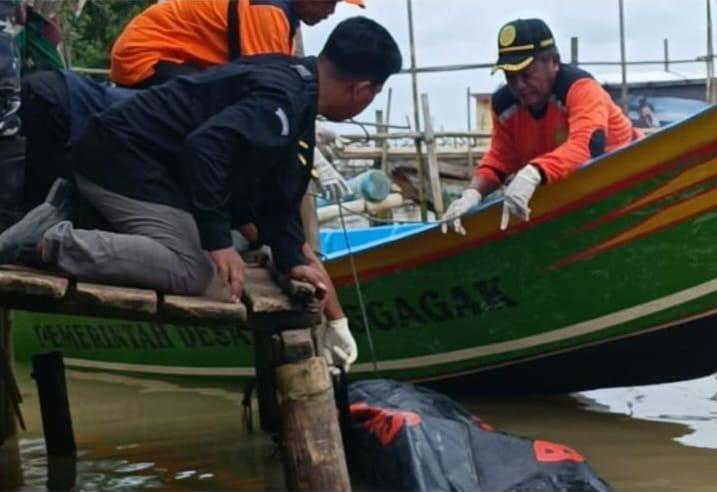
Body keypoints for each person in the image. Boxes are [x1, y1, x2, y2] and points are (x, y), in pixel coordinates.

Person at [0, 16, 402, 373]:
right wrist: (214, 239)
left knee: (232, 244)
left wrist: (293, 259)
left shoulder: (294, 87)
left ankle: (85, 216)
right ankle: (47, 241)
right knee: (194, 269)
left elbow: (278, 196)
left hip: (144, 167)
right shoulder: (284, 98)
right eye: (375, 93)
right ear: (362, 89)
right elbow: (205, 148)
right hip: (119, 160)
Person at [442, 18, 641, 235]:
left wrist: (534, 172)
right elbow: (501, 159)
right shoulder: (504, 105)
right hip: (567, 196)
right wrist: (472, 194)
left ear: (554, 62)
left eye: (527, 74)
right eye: (511, 77)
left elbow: (588, 145)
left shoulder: (579, 88)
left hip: (627, 179)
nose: (519, 85)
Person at [111, 0, 365, 88]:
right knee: (224, 103)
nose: (330, 11)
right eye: (328, 1)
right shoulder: (269, 11)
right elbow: (267, 87)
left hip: (176, 60)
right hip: (145, 58)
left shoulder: (284, 17)